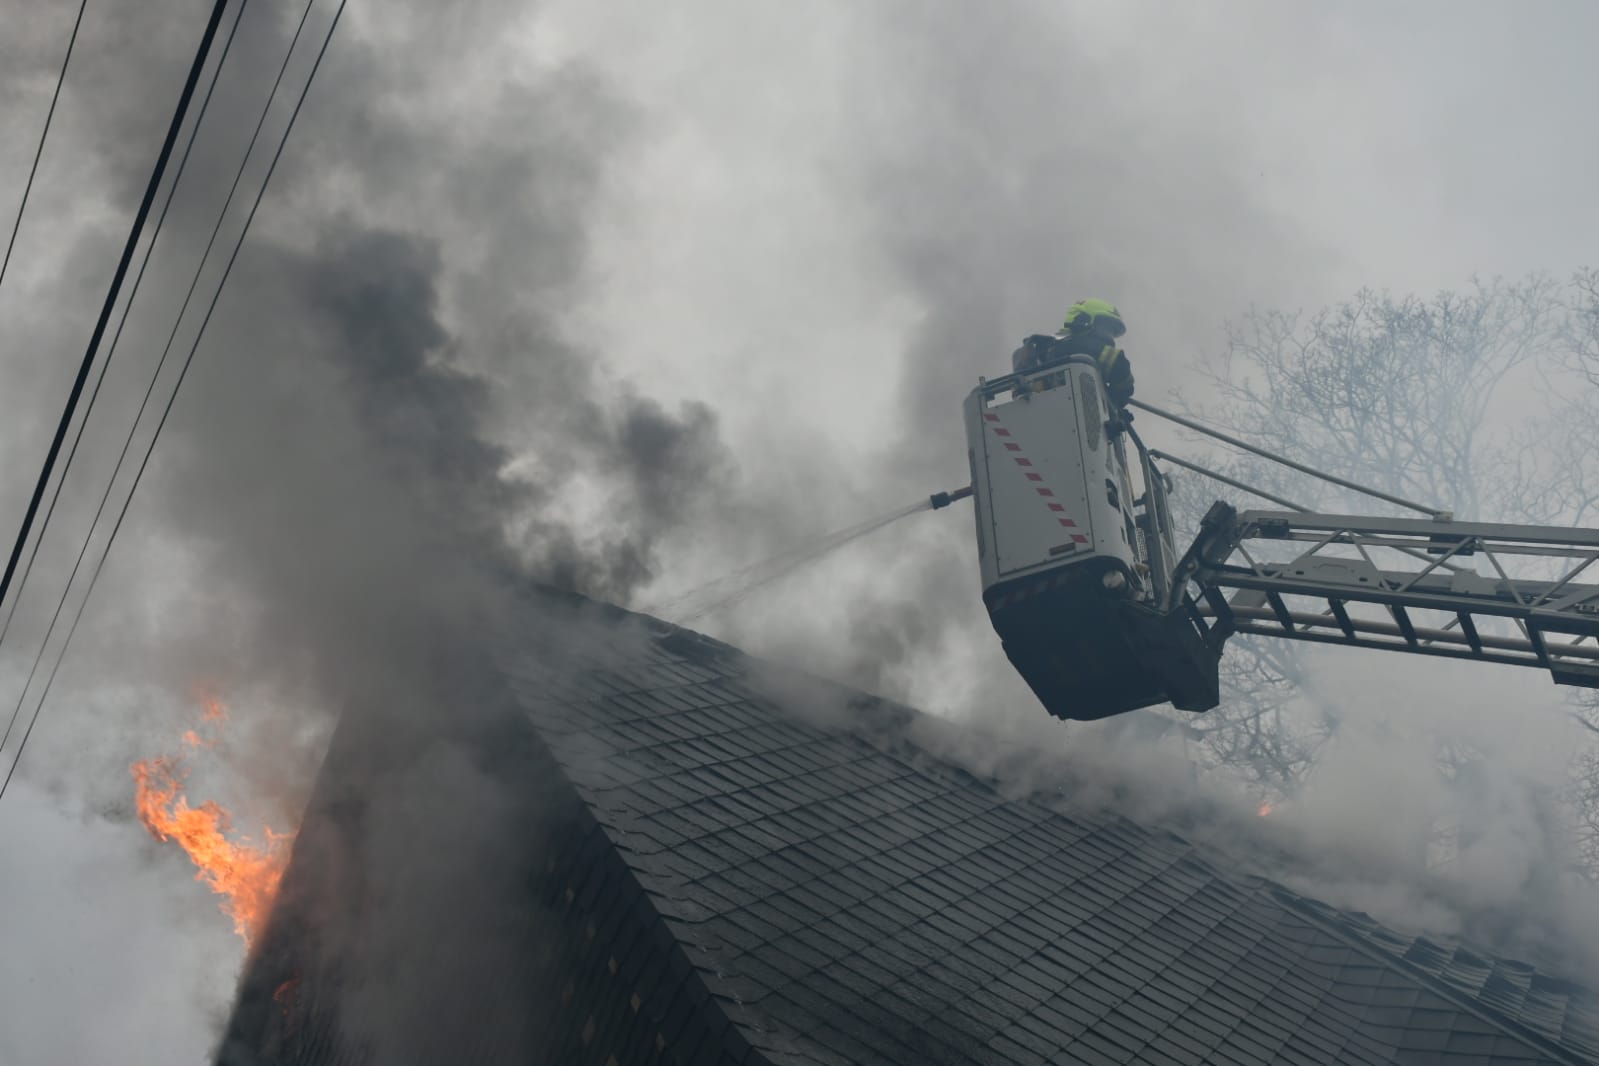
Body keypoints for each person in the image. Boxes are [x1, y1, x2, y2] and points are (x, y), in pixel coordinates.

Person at [1011, 298, 1135, 407]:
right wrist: (1115, 401)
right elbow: (1119, 366)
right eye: (1106, 328)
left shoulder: (1046, 347)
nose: (1109, 338)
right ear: (1082, 320)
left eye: (1112, 333)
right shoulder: (1081, 345)